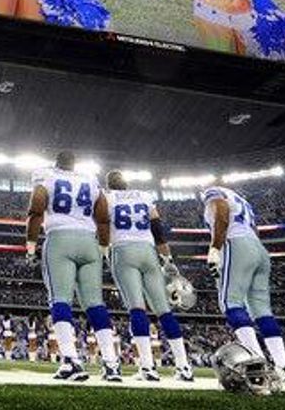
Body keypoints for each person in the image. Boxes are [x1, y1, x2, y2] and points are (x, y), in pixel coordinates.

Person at [25, 151, 121, 381]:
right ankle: (111, 364)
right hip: (89, 241)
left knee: (60, 300)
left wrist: (30, 245)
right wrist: (103, 247)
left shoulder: (45, 175)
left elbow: (36, 209)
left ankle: (71, 360)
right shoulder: (90, 179)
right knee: (95, 303)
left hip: (60, 238)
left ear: (56, 163)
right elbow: (103, 217)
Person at [103, 170, 193, 381]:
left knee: (137, 309)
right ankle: (184, 367)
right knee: (164, 311)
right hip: (148, 252)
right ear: (125, 184)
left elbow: (102, 228)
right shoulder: (144, 196)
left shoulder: (107, 197)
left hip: (123, 250)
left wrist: (104, 252)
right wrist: (168, 259)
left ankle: (147, 367)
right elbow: (158, 231)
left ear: (109, 185)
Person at [202, 185, 285, 383]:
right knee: (262, 312)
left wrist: (215, 248)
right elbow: (255, 230)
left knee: (230, 303)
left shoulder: (214, 192)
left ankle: (257, 363)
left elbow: (222, 215)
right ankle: (284, 367)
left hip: (236, 243)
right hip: (258, 249)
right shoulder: (242, 201)